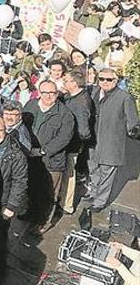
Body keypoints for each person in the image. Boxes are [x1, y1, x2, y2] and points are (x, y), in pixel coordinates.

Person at [80, 68, 140, 229]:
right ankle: (93, 193)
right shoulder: (93, 92)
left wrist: (132, 130)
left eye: (109, 79)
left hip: (111, 143)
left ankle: (100, 202)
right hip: (94, 141)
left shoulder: (125, 97)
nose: (105, 82)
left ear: (116, 81)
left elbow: (133, 121)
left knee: (107, 173)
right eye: (102, 79)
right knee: (93, 169)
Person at [24, 79, 75, 230]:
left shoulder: (65, 114)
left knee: (48, 193)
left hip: (51, 161)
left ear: (57, 94)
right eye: (44, 92)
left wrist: (43, 151)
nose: (48, 96)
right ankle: (30, 213)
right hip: (31, 158)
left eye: (52, 93)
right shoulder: (30, 106)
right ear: (39, 92)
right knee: (31, 188)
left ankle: (42, 222)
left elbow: (64, 138)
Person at [0, 116, 28, 282]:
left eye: (0, 130)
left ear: (5, 130)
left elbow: (20, 182)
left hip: (2, 203)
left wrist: (11, 206)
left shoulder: (16, 154)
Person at [61, 69, 93, 215]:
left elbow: (84, 129)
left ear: (74, 83)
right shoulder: (71, 96)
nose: (64, 82)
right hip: (68, 141)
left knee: (69, 174)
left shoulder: (80, 102)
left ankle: (67, 205)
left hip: (72, 143)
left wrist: (79, 141)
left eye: (66, 80)